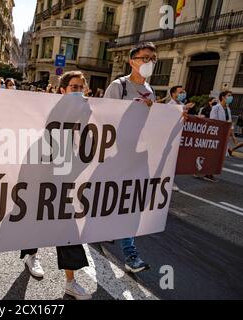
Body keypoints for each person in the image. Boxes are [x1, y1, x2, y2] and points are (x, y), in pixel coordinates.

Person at [20, 71, 92, 300]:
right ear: (62, 90)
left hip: (63, 170)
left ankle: (71, 282)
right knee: (36, 215)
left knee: (66, 224)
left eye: (82, 87)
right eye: (74, 87)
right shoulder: (48, 107)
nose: (78, 91)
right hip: (39, 168)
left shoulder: (85, 110)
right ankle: (32, 254)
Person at [103, 42, 157, 273]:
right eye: (145, 58)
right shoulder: (119, 86)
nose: (149, 63)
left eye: (153, 59)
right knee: (110, 203)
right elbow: (103, 119)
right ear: (132, 61)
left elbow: (150, 126)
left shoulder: (151, 91)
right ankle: (102, 230)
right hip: (115, 158)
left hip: (137, 159)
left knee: (131, 205)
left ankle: (129, 255)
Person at [210, 91, 237, 167]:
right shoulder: (216, 108)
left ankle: (211, 172)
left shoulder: (228, 109)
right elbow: (212, 121)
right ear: (223, 97)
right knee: (212, 154)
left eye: (231, 96)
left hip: (224, 136)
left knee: (219, 156)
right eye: (229, 96)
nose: (230, 97)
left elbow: (230, 123)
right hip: (215, 134)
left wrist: (233, 136)